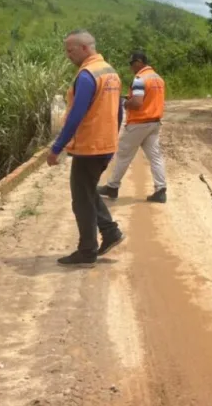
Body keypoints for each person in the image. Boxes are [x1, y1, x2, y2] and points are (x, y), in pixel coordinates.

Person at [47, 30, 125, 267]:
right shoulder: (110, 72)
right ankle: (110, 232)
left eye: (70, 50)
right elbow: (119, 111)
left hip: (89, 147)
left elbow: (75, 115)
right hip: (104, 145)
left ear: (84, 48)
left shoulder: (86, 75)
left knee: (81, 199)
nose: (67, 55)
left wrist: (57, 147)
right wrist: (112, 138)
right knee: (88, 191)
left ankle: (87, 250)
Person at [98, 51, 168, 203]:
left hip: (139, 123)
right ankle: (161, 190)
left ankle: (112, 186)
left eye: (131, 64)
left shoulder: (139, 79)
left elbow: (136, 103)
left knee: (123, 154)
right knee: (155, 157)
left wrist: (125, 103)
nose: (130, 67)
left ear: (138, 62)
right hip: (154, 122)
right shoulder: (158, 78)